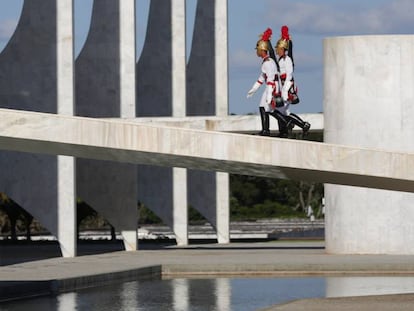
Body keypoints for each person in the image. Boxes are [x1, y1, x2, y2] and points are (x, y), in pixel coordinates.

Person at [270, 26, 310, 138]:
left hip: (287, 87)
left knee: (279, 110)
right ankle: (288, 129)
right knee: (281, 111)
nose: (277, 51)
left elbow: (289, 75)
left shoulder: (287, 59)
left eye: (279, 49)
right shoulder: (281, 59)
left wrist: (285, 91)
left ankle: (297, 125)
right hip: (283, 86)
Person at [246, 28, 277, 136]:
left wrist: (269, 94)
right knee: (267, 109)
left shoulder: (267, 63)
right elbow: (261, 78)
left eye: (257, 49)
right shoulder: (266, 62)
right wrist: (253, 89)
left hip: (271, 87)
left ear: (262, 50)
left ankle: (266, 130)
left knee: (264, 107)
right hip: (271, 86)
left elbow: (270, 80)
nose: (256, 52)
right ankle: (266, 129)